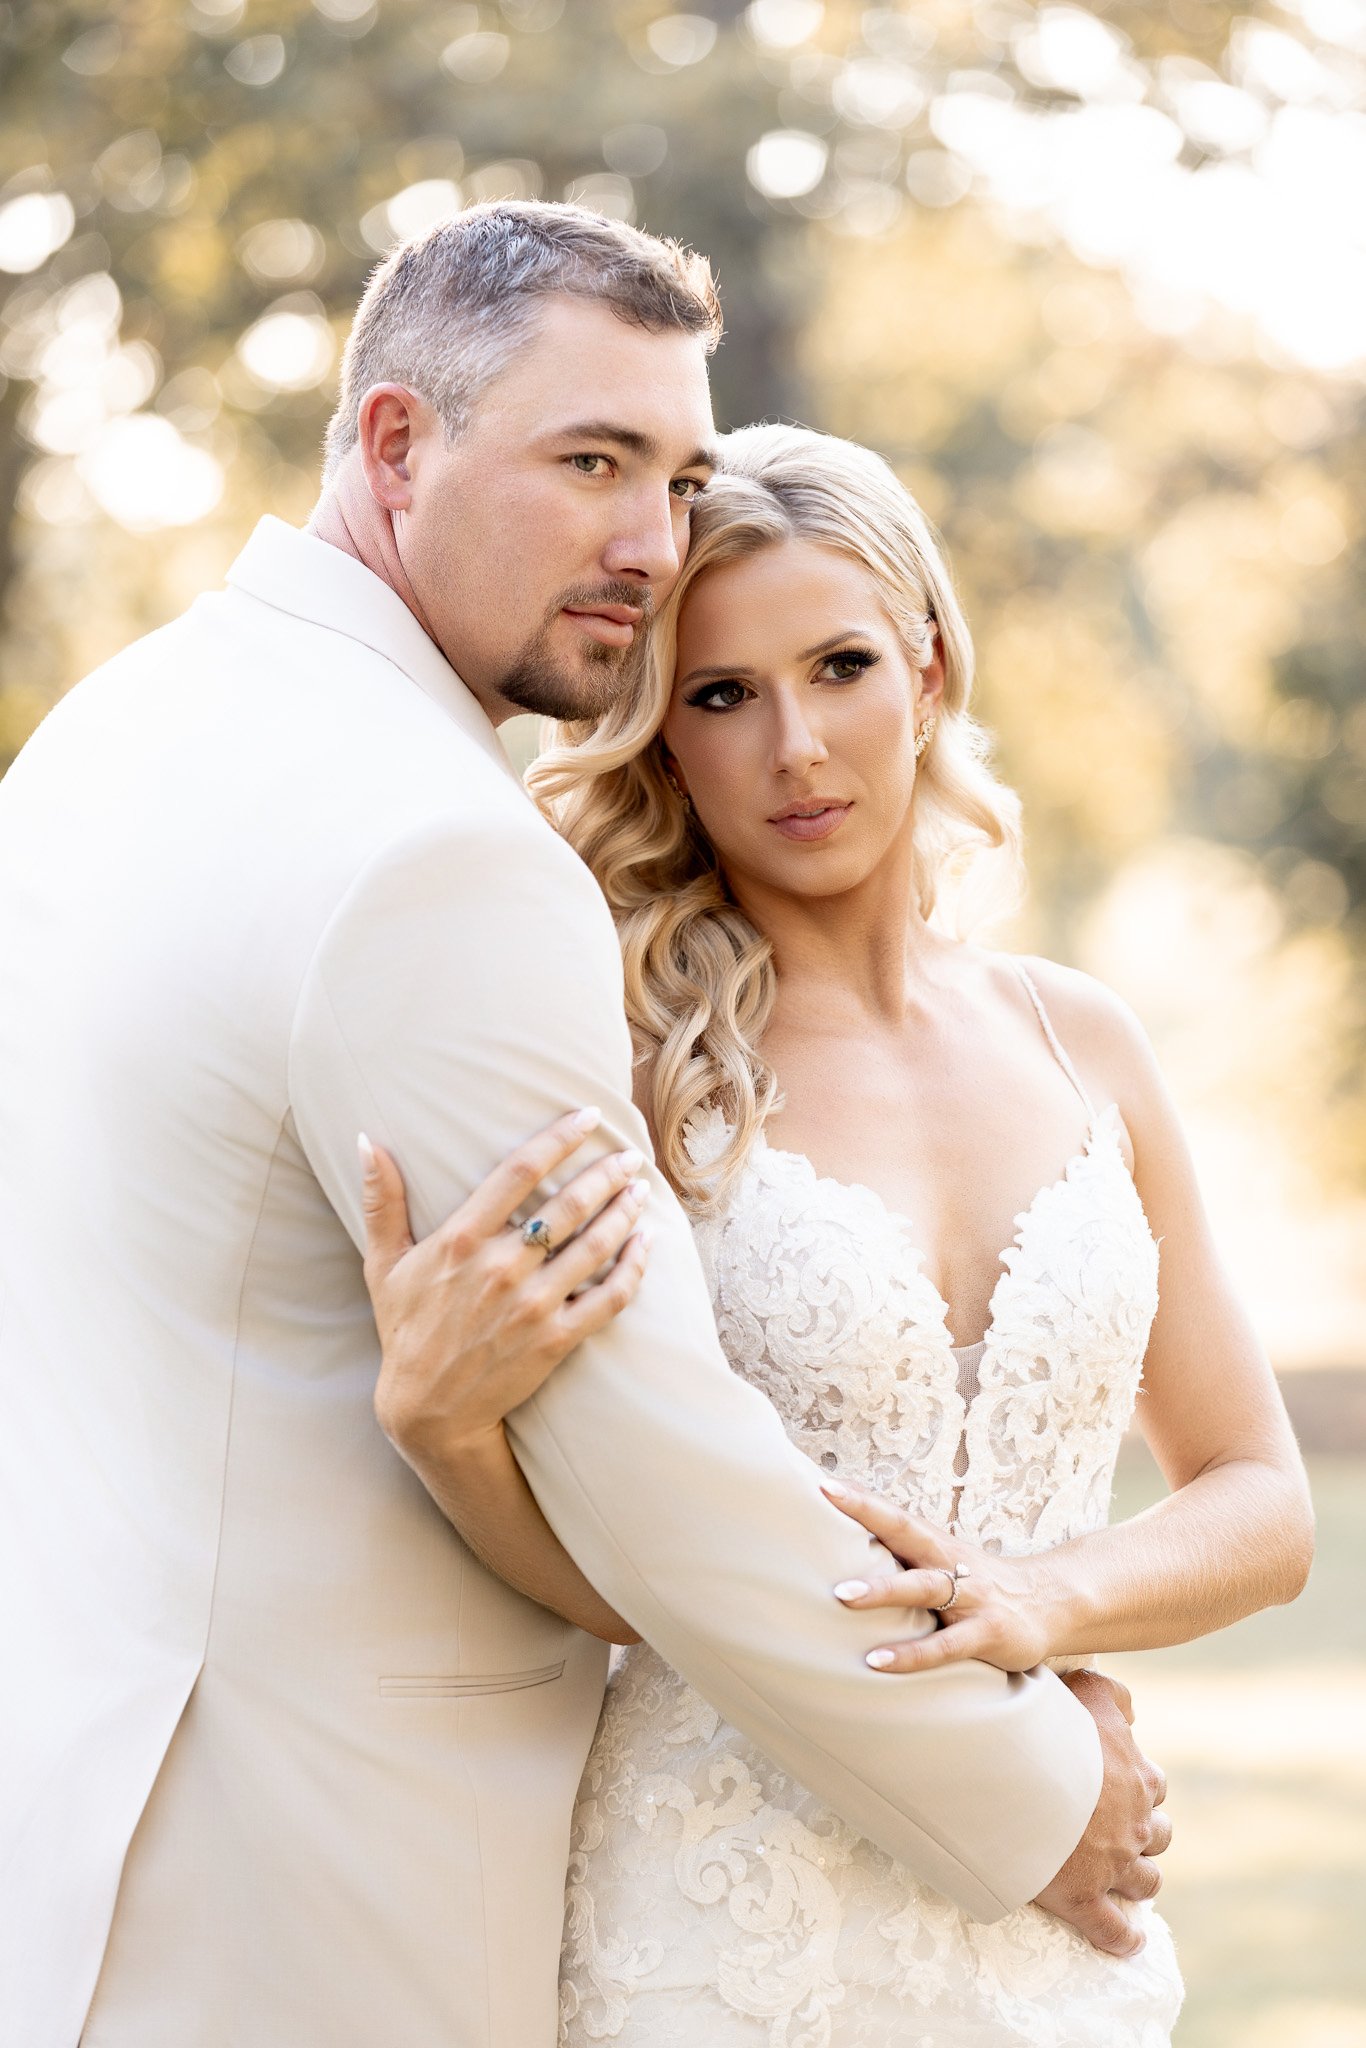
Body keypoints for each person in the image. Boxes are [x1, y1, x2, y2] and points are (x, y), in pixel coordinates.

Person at [0, 205, 1165, 2048]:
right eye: (591, 464)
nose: (650, 544)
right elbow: (656, 1467)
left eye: (677, 477)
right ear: (397, 445)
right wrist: (1032, 1792)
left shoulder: (107, 734)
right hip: (316, 1886)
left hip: (80, 1855)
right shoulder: (432, 850)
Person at [357, 423, 1314, 2045]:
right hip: (716, 1933)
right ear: (662, 739)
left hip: (1052, 1939)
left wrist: (1045, 1599)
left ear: (926, 668)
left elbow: (1260, 1501)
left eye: (841, 667)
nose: (794, 748)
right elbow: (621, 1588)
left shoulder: (1081, 1040)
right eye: (722, 695)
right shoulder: (619, 1063)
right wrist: (443, 1431)